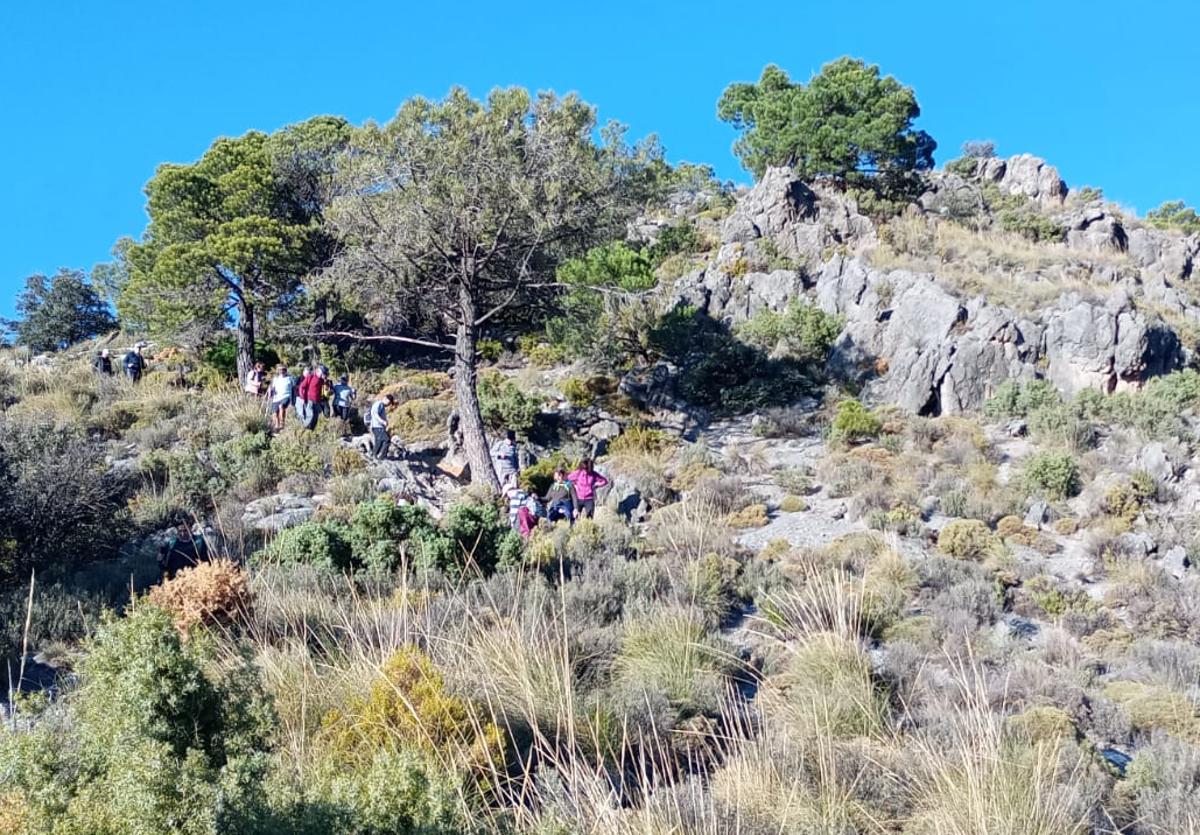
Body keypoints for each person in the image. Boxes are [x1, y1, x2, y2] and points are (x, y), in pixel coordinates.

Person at [368, 393, 396, 459]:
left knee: (379, 441)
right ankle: (381, 456)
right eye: (389, 403)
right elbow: (375, 414)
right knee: (387, 440)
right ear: (385, 399)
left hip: (378, 426)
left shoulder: (381, 405)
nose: (388, 405)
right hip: (377, 426)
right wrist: (382, 421)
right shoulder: (379, 404)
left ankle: (374, 455)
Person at [268, 365, 294, 430]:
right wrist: (270, 391)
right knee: (275, 413)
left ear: (286, 370)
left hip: (286, 396)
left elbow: (295, 387)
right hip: (276, 397)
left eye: (283, 370)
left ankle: (282, 424)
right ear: (278, 371)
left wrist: (294, 398)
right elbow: (272, 388)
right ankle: (277, 426)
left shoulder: (290, 378)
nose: (282, 371)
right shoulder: (276, 379)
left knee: (281, 406)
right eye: (280, 370)